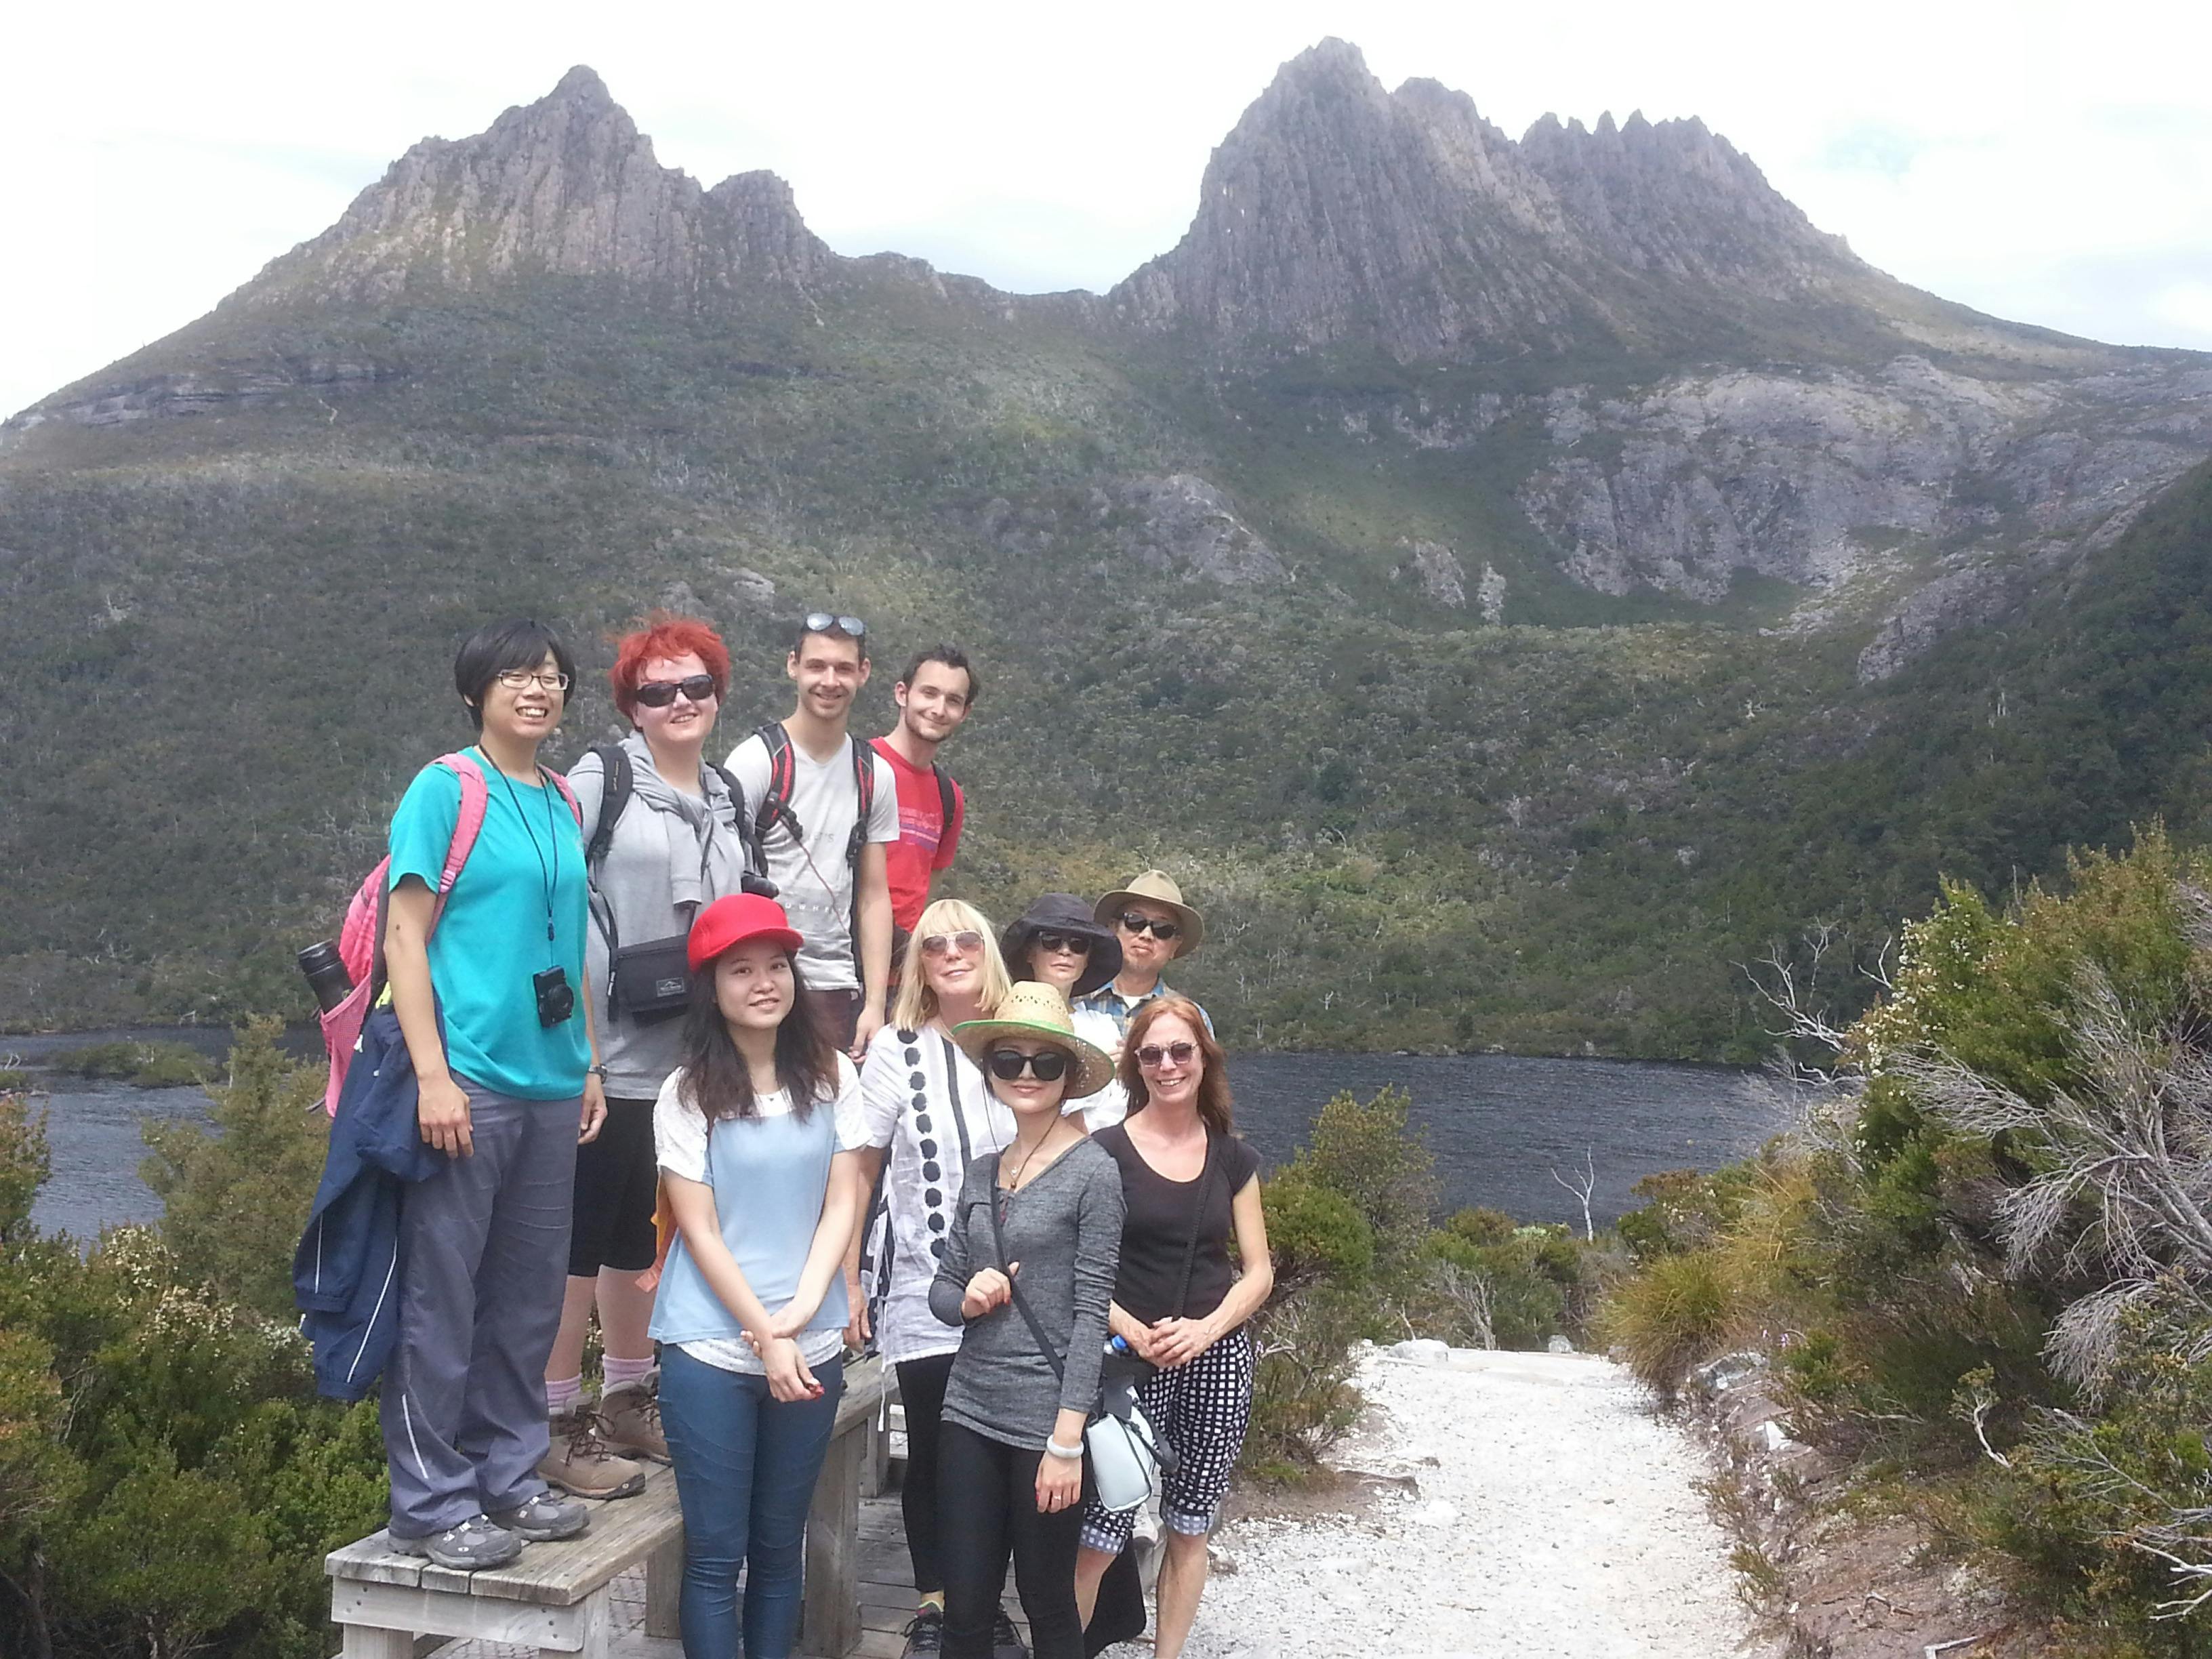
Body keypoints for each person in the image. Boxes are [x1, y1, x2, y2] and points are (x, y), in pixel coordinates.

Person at [378, 618, 605, 1570]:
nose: (537, 689)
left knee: (525, 1298)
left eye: (550, 676)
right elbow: (405, 934)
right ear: (477, 690)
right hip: (469, 1078)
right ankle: (431, 1503)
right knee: (444, 1296)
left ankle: (507, 1479)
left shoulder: (558, 798)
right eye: (516, 675)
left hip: (551, 1082)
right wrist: (433, 1077)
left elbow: (568, 946)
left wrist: (587, 1060)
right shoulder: (445, 789)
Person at [539, 615, 755, 1500]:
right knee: (579, 1242)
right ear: (631, 702)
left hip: (690, 1066)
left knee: (642, 1236)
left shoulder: (726, 796)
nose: (680, 702)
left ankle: (628, 1395)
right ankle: (552, 1420)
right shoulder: (603, 780)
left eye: (695, 686)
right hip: (607, 1056)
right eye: (658, 690)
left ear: (717, 694)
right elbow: (551, 899)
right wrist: (576, 1051)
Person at [650, 893, 868, 1659]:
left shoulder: (834, 1074)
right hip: (710, 1348)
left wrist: (807, 1312)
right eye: (741, 970)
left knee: (781, 1551)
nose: (764, 982)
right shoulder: (685, 1096)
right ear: (711, 987)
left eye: (777, 965)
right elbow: (699, 1231)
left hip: (810, 1345)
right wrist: (767, 1337)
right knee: (716, 1556)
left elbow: (845, 1196)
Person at [843, 901, 1026, 1658]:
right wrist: (852, 1280)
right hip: (924, 1286)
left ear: (989, 953)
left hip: (1021, 1291)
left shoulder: (1024, 1043)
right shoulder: (897, 1048)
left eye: (967, 940)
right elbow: (860, 1164)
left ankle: (986, 1603)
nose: (952, 952)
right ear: (919, 963)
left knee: (1007, 1451)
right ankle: (935, 1602)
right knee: (934, 1446)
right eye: (934, 943)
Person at [930, 985, 1124, 1659]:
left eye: (1045, 1063)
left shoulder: (1094, 1174)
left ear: (1070, 1076)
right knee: (967, 1606)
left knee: (1046, 1600)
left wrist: (1066, 1441)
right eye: (1008, 1060)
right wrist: (969, 1299)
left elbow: (1091, 1311)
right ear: (991, 1072)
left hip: (1047, 1422)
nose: (1025, 1075)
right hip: (969, 1408)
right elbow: (942, 1290)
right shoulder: (982, 1172)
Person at [1073, 998, 1270, 1659]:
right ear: (1136, 1065)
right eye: (1151, 1053)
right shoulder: (1106, 1153)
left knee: (1190, 1526)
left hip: (1214, 1361)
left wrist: (1206, 1330)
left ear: (1203, 1059)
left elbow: (1257, 1271)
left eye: (1180, 1051)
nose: (1166, 1065)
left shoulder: (1233, 1159)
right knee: (1102, 1531)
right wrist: (1133, 1327)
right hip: (1126, 1364)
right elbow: (1081, 1264)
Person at [725, 613, 898, 1059]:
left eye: (843, 668)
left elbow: (875, 896)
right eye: (817, 666)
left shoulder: (873, 775)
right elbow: (722, 878)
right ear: (793, 667)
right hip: (761, 983)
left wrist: (874, 1004)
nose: (829, 680)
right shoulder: (757, 762)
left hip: (835, 986)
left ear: (863, 673)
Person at [873, 646, 977, 952]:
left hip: (903, 968)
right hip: (838, 962)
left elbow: (925, 889)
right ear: (902, 694)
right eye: (929, 693)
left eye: (953, 701)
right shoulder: (859, 767)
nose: (939, 709)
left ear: (965, 713)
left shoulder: (950, 798)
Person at [999, 894, 1126, 1133]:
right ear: (1029, 953)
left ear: (1088, 959)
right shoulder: (1001, 1018)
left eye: (1078, 945)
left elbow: (1119, 1106)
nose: (1065, 951)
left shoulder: (1104, 1027)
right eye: (1051, 941)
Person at [1074, 872, 1212, 1045]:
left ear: (1175, 946)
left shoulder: (1194, 1019)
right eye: (1135, 921)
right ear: (1114, 928)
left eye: (1162, 929)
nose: (1146, 935)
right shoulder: (1072, 1003)